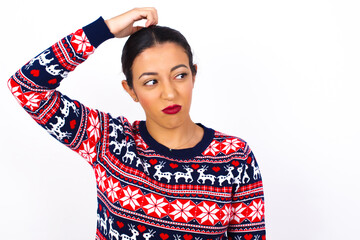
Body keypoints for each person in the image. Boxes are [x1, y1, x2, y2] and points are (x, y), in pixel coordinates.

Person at [8, 7, 265, 240]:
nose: (169, 93)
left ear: (194, 75)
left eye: (179, 75)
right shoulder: (109, 140)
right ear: (130, 90)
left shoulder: (234, 157)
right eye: (151, 82)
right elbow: (27, 87)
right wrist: (103, 30)